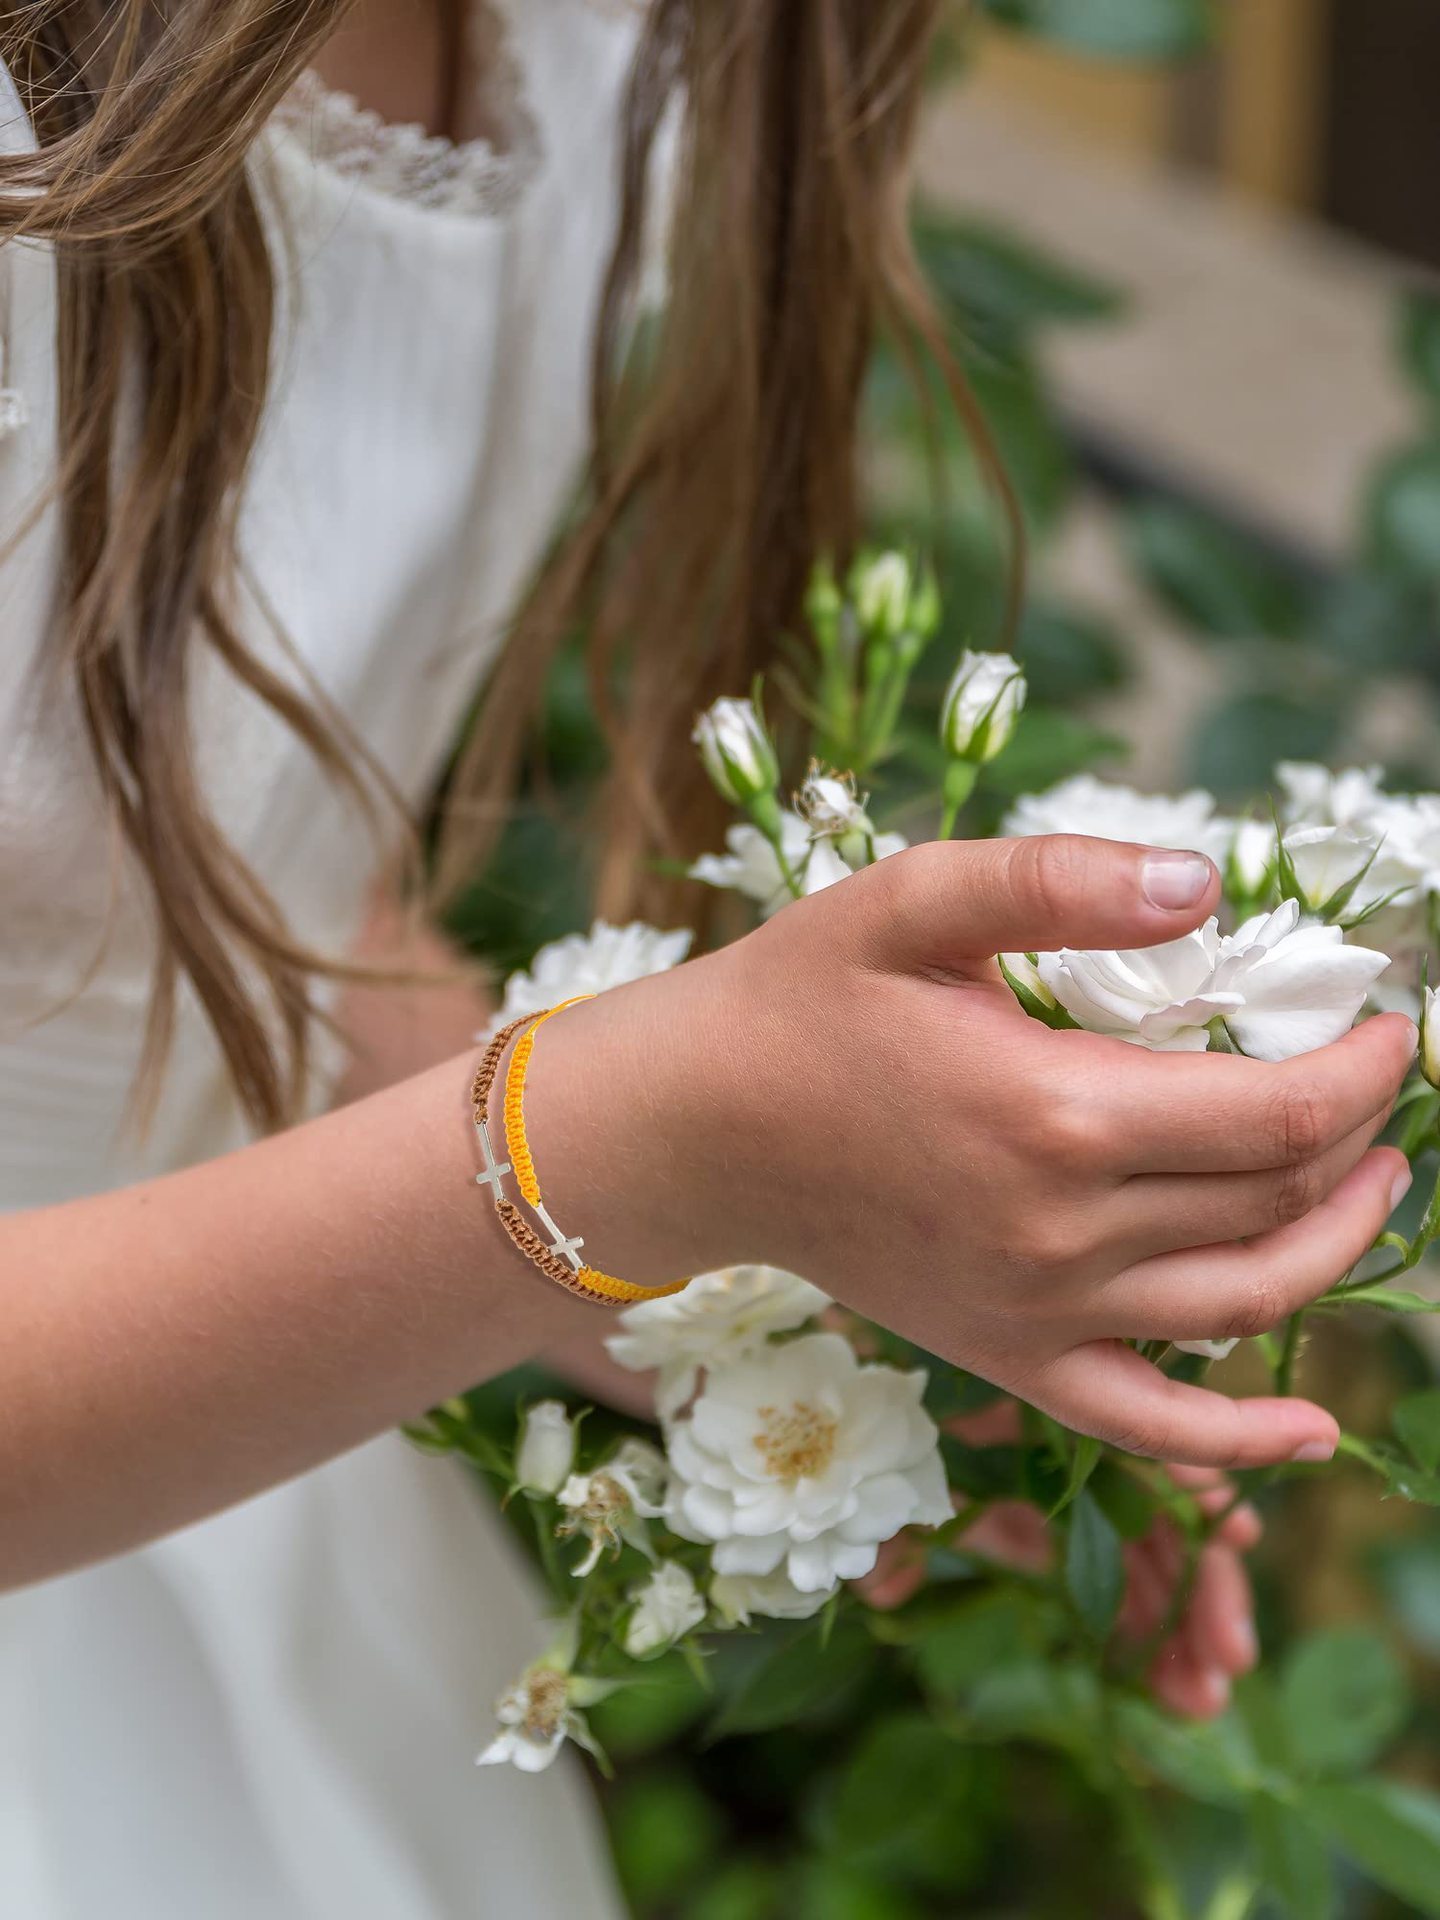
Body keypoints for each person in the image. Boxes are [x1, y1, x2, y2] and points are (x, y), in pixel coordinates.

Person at [0, 0, 1416, 1912]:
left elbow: (229, 911)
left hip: (238, 1489)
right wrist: (624, 1146)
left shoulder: (599, 47)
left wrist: (774, 1290)